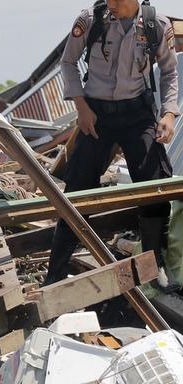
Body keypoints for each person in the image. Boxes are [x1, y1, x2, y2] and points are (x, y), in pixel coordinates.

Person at [51, 0, 179, 290]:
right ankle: (56, 271)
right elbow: (68, 62)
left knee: (155, 185)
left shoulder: (155, 25)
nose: (113, 5)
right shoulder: (90, 20)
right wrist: (81, 107)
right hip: (96, 116)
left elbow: (170, 72)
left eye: (119, 0)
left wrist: (169, 114)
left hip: (137, 115)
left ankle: (155, 265)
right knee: (77, 189)